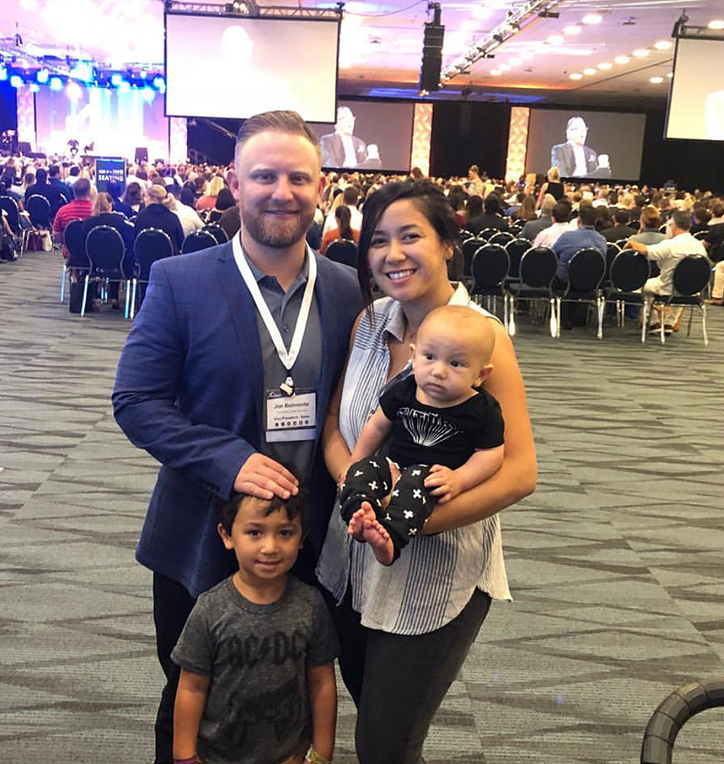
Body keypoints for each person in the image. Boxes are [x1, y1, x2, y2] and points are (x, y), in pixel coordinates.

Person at [112, 109, 363, 764]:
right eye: (264, 176)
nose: (282, 192)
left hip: (306, 544)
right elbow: (135, 401)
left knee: (290, 701)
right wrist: (230, 461)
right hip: (204, 537)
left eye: (298, 178)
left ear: (320, 186)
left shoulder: (345, 290)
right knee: (192, 701)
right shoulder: (181, 280)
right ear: (234, 183)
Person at [316, 179, 536, 764]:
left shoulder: (480, 337)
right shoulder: (370, 322)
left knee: (385, 744)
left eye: (410, 236)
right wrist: (358, 493)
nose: (393, 254)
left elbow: (519, 473)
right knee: (373, 717)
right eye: (378, 240)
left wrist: (406, 523)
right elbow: (337, 425)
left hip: (435, 577)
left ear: (446, 245)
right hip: (354, 561)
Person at [172, 491, 338, 764]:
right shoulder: (210, 609)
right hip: (218, 757)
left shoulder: (311, 605)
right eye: (254, 533)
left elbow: (321, 682)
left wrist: (321, 755)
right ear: (227, 535)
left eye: (285, 533)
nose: (270, 547)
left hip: (289, 756)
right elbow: (191, 688)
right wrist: (185, 757)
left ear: (302, 538)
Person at [339, 306, 504, 566]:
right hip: (393, 467)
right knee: (365, 468)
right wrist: (354, 461)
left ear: (480, 375)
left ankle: (390, 538)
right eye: (429, 357)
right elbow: (377, 427)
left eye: (456, 364)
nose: (439, 371)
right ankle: (360, 513)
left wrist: (460, 479)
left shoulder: (481, 410)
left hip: (432, 480)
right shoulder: (404, 390)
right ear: (414, 356)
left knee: (417, 477)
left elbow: (491, 454)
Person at [625, 210, 707, 335]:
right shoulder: (699, 246)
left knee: (644, 286)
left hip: (666, 287)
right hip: (691, 290)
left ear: (673, 225)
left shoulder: (671, 245)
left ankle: (653, 322)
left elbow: (647, 251)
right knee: (684, 284)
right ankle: (670, 322)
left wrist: (632, 242)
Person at [133, 184, 185, 253]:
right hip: (169, 257)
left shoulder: (141, 217)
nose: (144, 199)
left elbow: (135, 240)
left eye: (146, 196)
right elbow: (181, 243)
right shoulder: (173, 218)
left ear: (154, 199)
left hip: (145, 256)